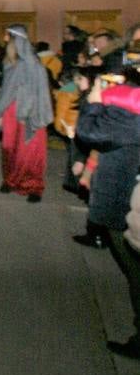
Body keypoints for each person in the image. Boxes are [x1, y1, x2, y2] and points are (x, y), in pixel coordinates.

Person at [74, 62, 140, 358]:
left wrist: (94, 102)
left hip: (122, 195)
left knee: (132, 264)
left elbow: (89, 133)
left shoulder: (129, 107)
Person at [0, 25, 53, 202]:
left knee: (31, 150)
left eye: (8, 38)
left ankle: (33, 186)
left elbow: (41, 92)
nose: (5, 41)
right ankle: (10, 180)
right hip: (10, 111)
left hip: (30, 112)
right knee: (9, 147)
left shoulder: (34, 64)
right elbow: (7, 91)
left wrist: (34, 112)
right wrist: (0, 114)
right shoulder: (9, 63)